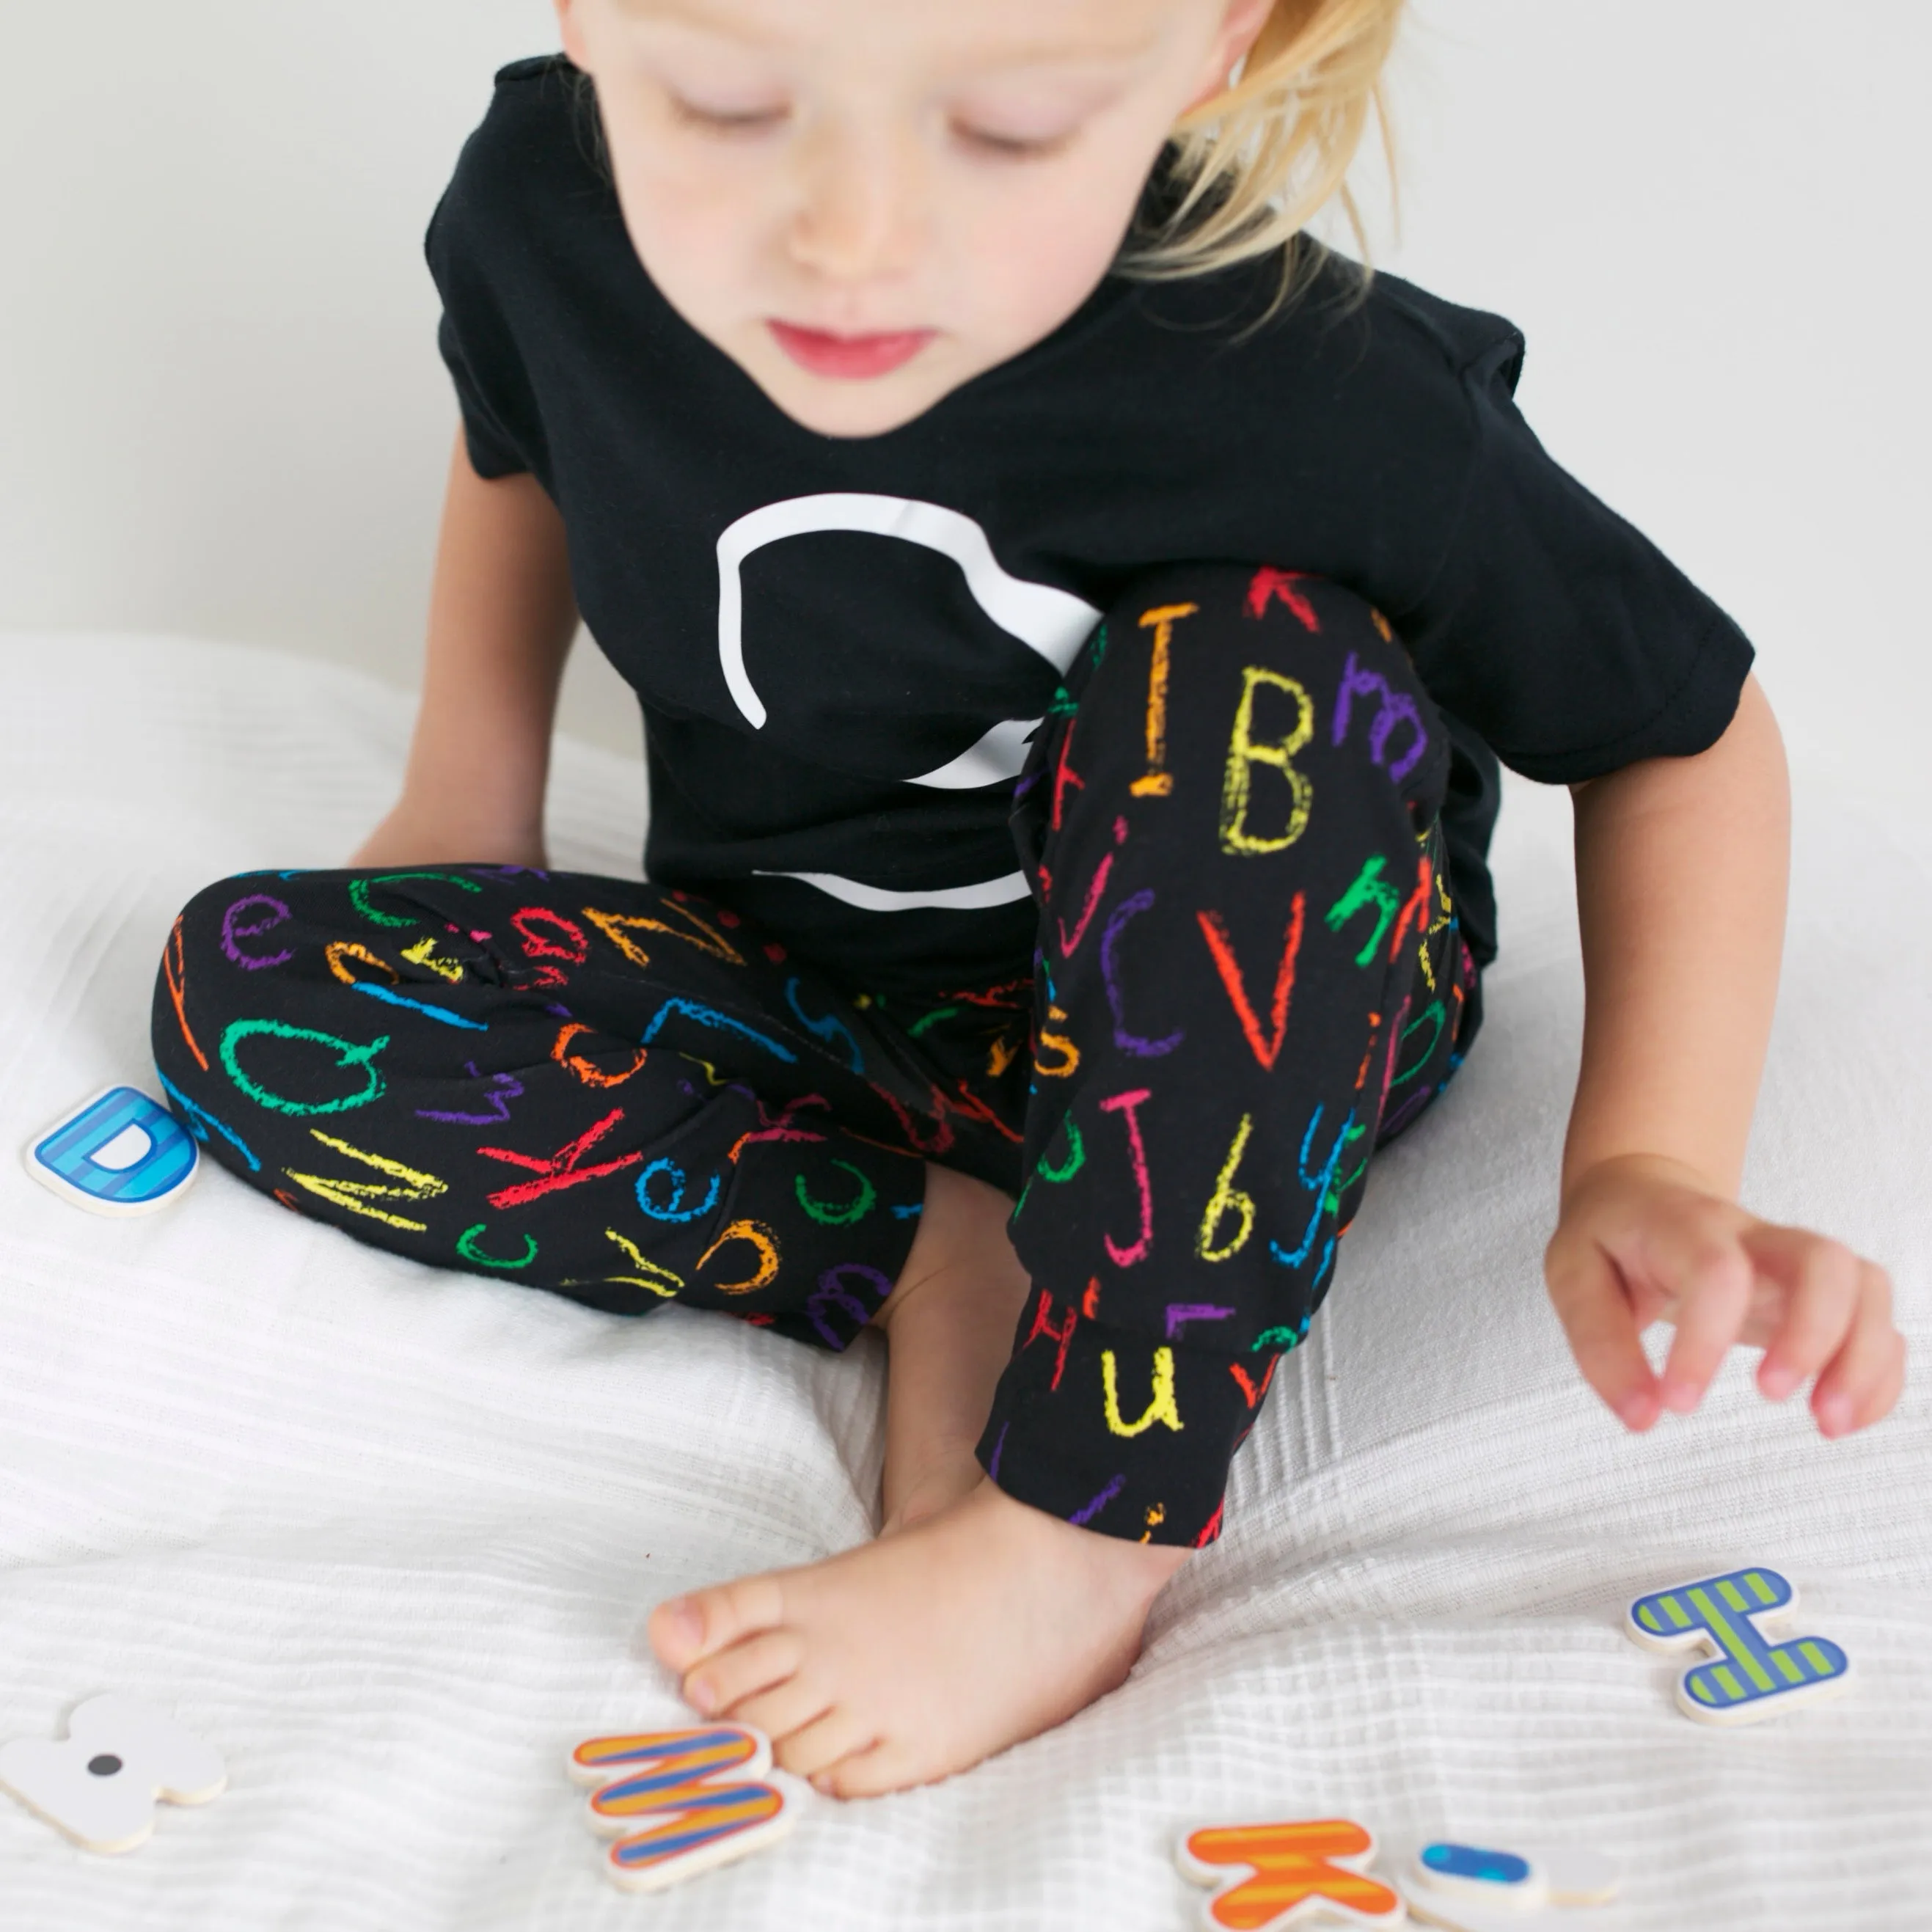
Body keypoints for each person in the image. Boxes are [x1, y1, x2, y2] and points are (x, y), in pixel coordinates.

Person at [152, 0, 1904, 1798]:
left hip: (1262, 1022)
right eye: (730, 98)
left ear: (1222, 40)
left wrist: (1651, 1165)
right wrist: (468, 795)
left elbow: (1682, 735)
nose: (850, 232)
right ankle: (929, 1235)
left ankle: (1081, 1530)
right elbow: (519, 425)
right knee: (255, 986)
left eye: (1001, 130)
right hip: (828, 1009)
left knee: (1250, 666)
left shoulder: (1305, 385)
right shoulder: (550, 201)